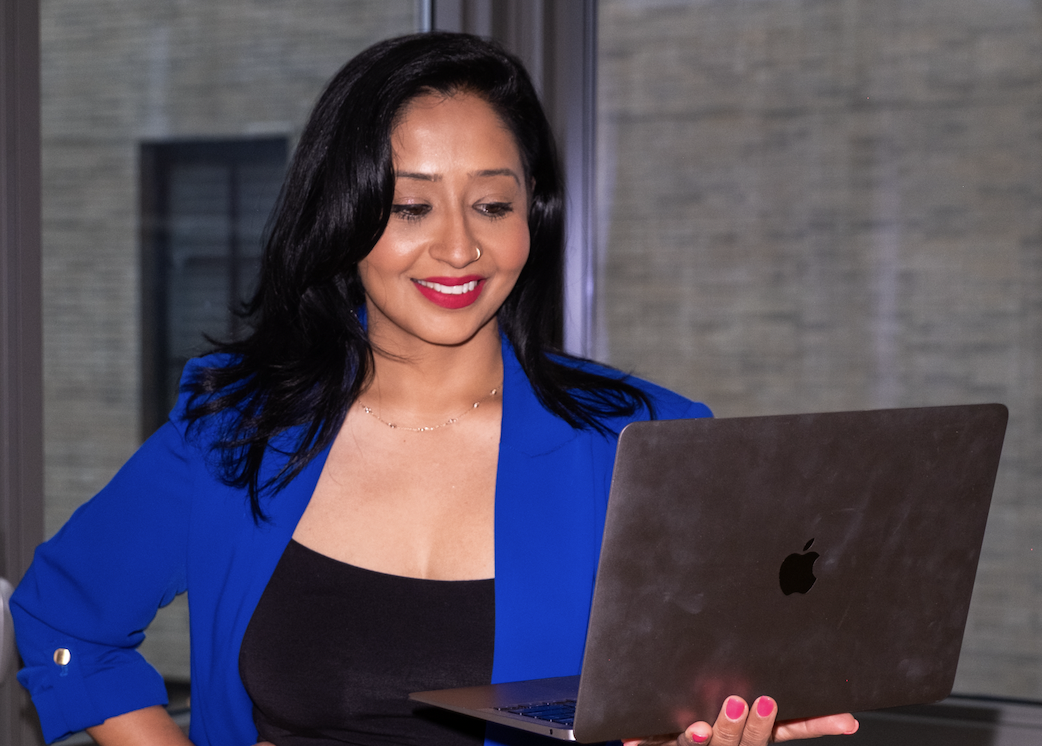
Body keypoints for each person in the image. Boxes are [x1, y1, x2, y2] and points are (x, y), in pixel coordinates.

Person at [11, 32, 858, 746]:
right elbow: (68, 623)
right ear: (344, 217)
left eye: (493, 205)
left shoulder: (650, 441)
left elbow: (705, 699)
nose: (458, 249)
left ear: (535, 215)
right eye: (411, 208)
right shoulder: (237, 425)